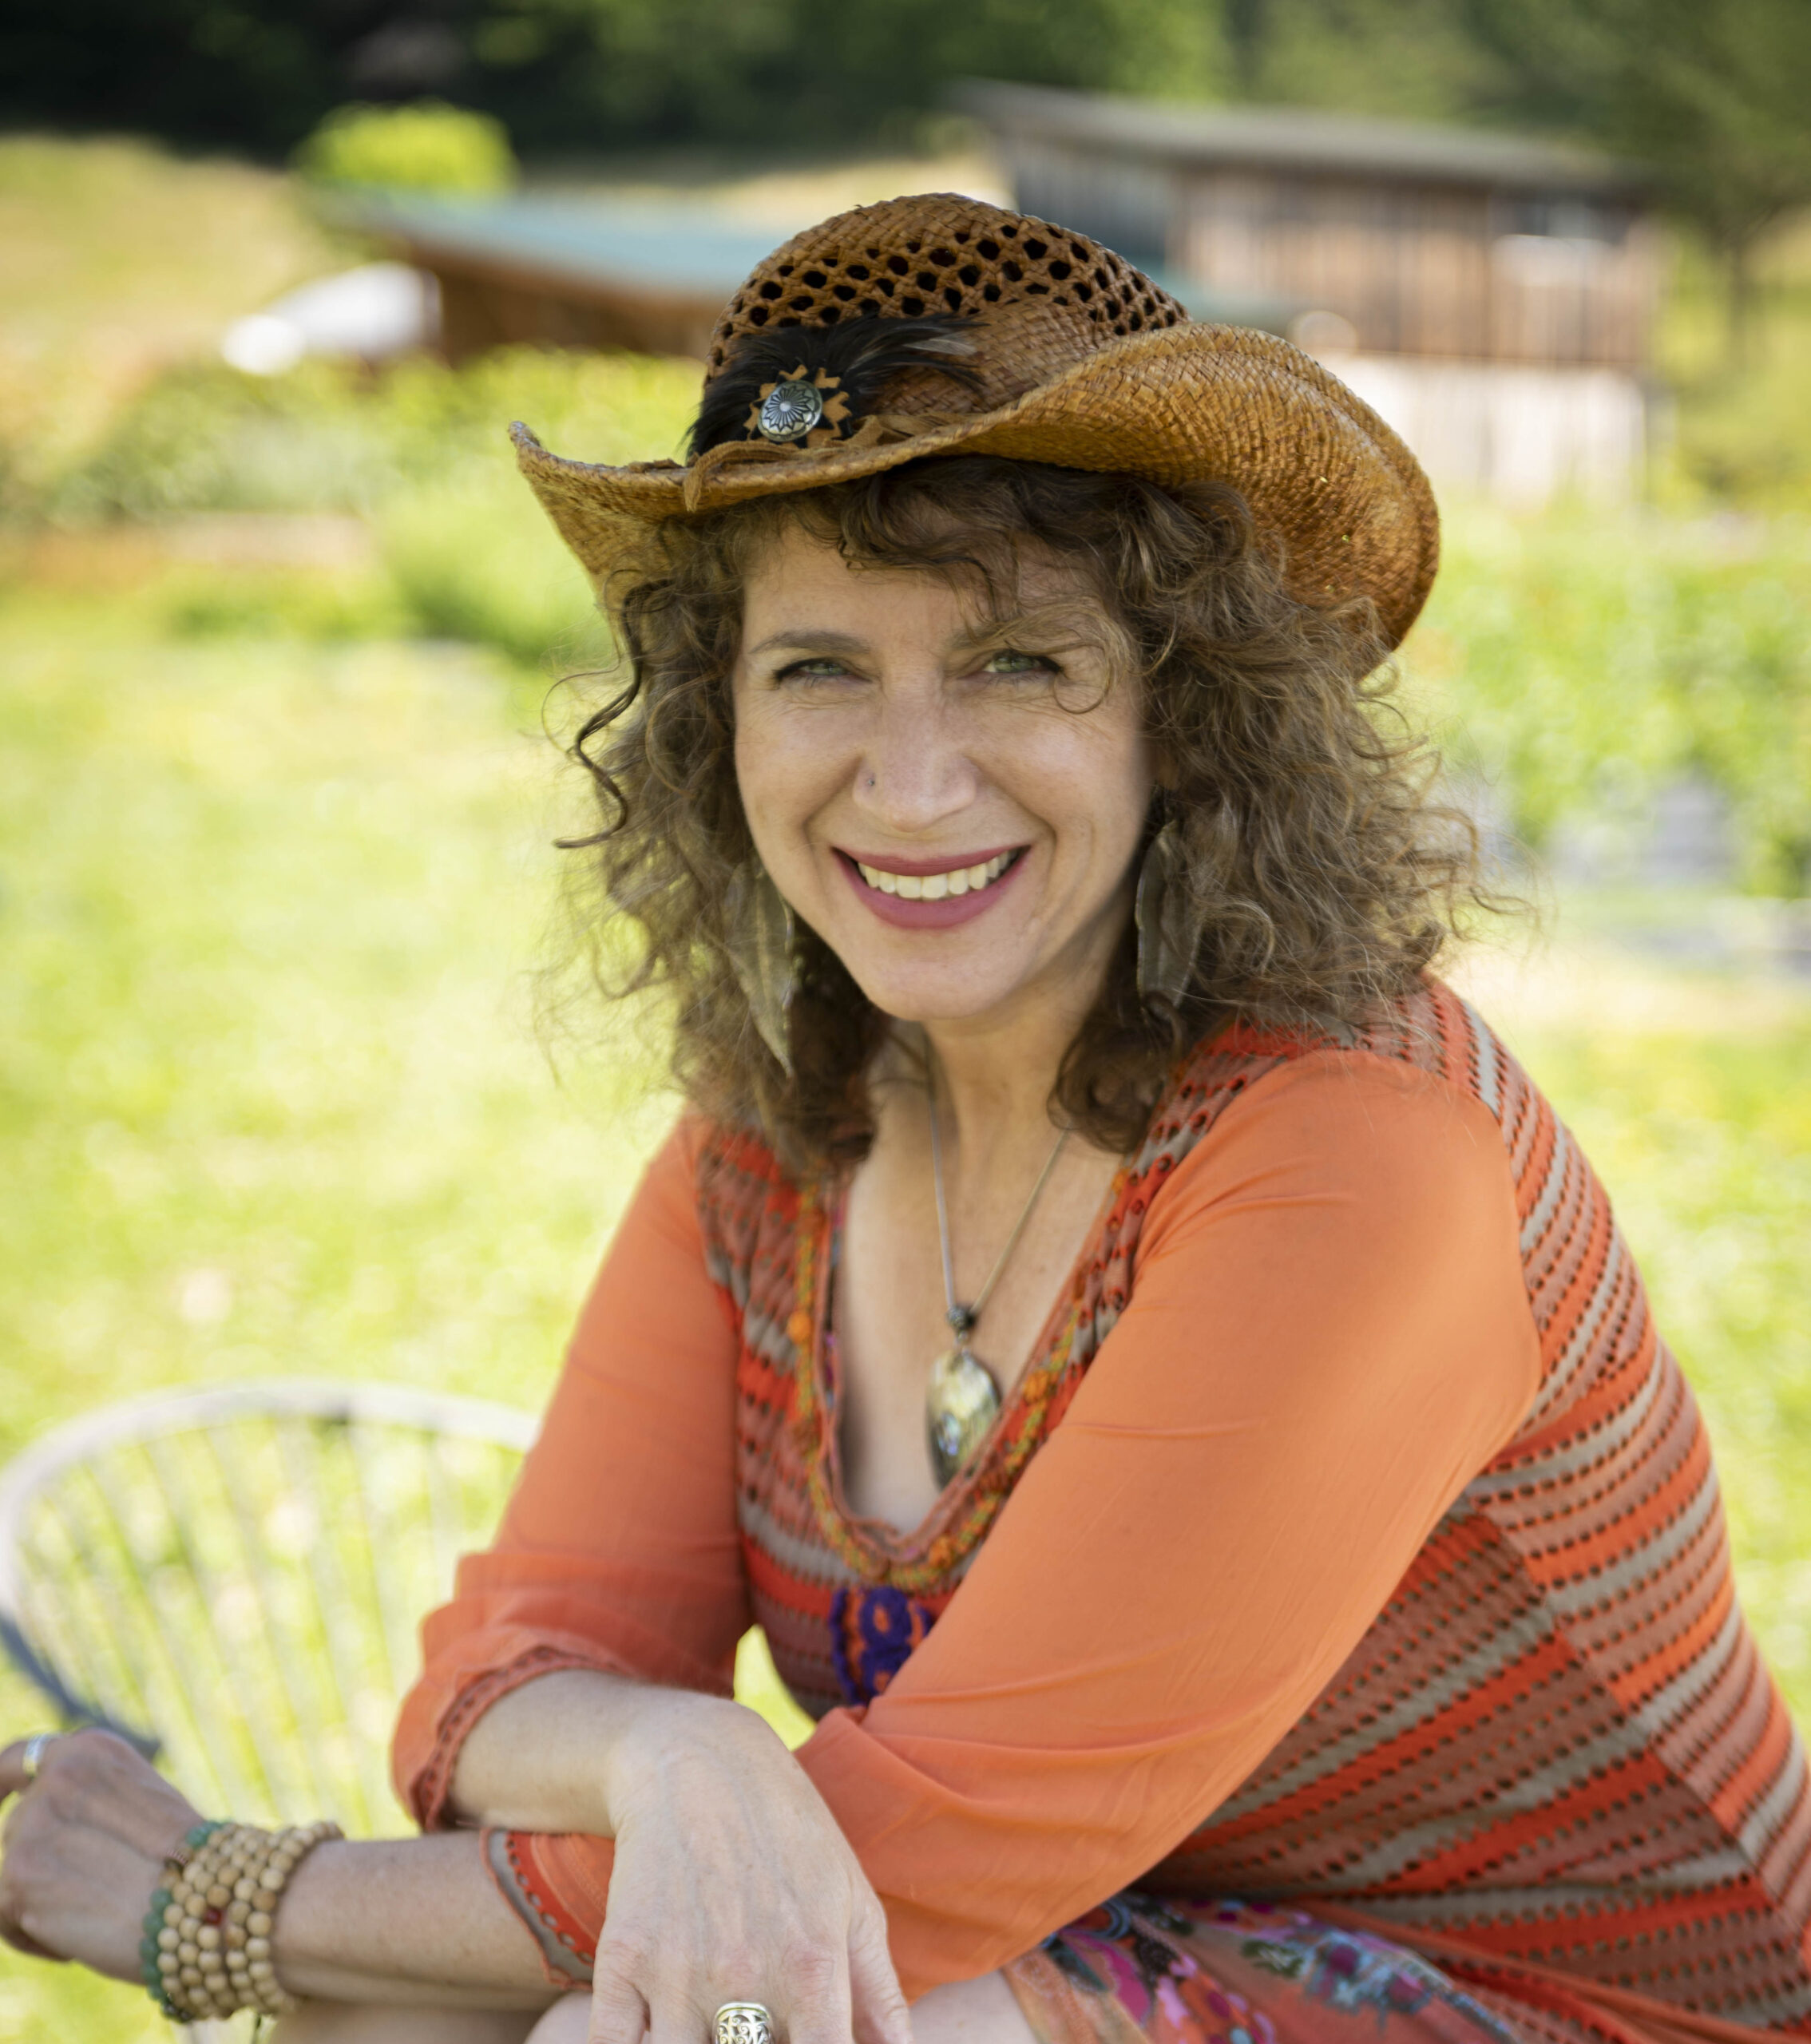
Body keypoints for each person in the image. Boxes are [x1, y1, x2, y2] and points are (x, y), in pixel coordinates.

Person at [2, 193, 1805, 2044]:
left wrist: (210, 1895)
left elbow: (905, 1871)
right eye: (821, 670)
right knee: (428, 2022)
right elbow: (493, 1693)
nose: (914, 781)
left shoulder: (1360, 1152)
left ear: (1184, 717)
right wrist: (679, 1755)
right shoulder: (784, 1135)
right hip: (1088, 1936)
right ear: (722, 729)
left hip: (1579, 1993)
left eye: (1018, 661)